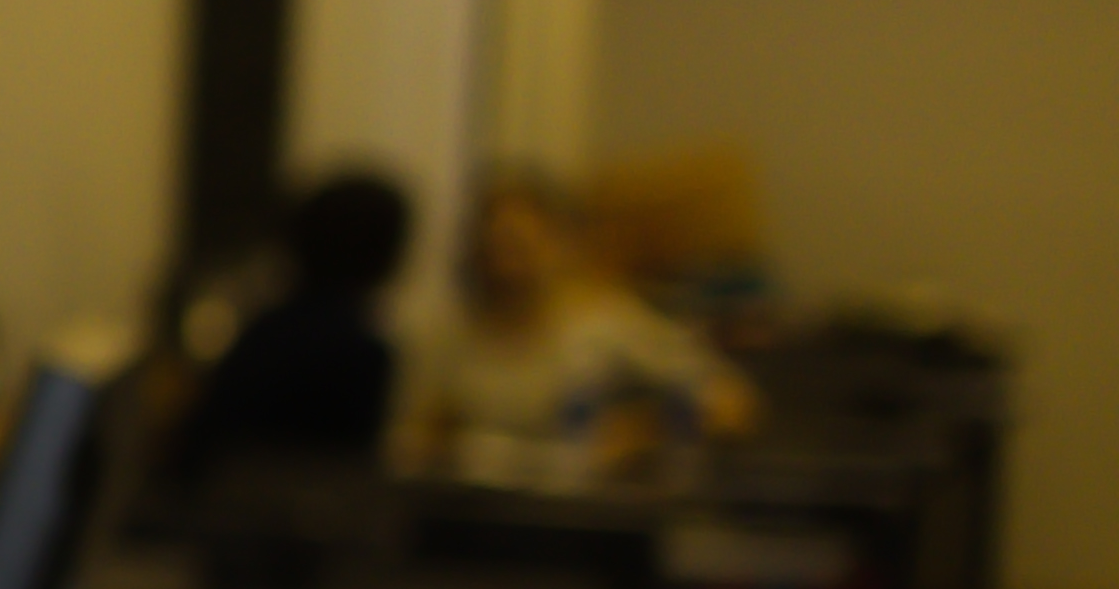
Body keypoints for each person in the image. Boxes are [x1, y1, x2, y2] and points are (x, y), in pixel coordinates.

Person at [419, 161, 759, 473]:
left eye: (521, 246)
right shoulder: (455, 333)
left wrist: (644, 431)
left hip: (582, 514)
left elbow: (729, 401)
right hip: (474, 513)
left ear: (558, 243)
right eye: (495, 247)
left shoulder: (603, 322)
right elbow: (419, 431)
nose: (507, 265)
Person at [166, 167, 414, 490]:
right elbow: (349, 475)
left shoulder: (266, 328)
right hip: (297, 524)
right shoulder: (360, 351)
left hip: (229, 511)